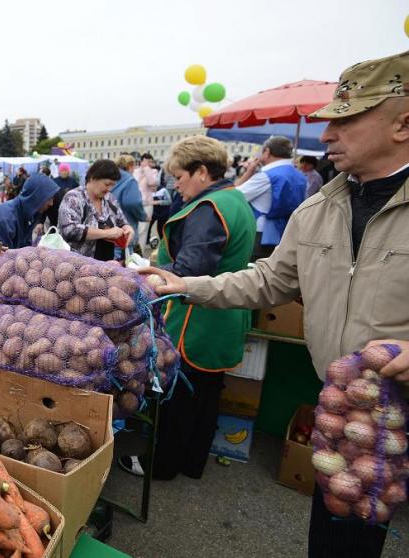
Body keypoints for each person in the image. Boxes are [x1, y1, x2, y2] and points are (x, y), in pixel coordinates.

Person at [141, 51, 409, 558]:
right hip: (352, 415)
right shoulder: (319, 208)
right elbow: (269, 279)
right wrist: (184, 285)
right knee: (338, 536)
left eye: (346, 121)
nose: (327, 136)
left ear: (403, 123)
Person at [119, 136, 256, 483]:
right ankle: (191, 462)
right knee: (208, 396)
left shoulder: (207, 209)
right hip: (226, 314)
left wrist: (144, 276)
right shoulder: (236, 199)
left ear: (202, 172)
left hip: (197, 318)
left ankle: (162, 466)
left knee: (180, 395)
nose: (175, 185)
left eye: (180, 177)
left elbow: (189, 268)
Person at [234, 136, 307, 259]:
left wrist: (248, 173)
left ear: (267, 152)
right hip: (287, 231)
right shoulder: (300, 176)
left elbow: (233, 196)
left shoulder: (266, 176)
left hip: (261, 233)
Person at [57, 159, 134, 260]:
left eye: (112, 185)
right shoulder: (73, 198)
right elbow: (70, 230)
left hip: (105, 264)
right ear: (93, 178)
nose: (109, 189)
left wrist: (128, 228)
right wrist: (106, 233)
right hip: (76, 263)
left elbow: (121, 221)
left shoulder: (109, 198)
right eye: (107, 184)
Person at [0, 172, 58, 250]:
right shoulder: (6, 217)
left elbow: (25, 247)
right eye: (49, 199)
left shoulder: (31, 213)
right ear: (36, 197)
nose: (51, 203)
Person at [111, 155, 147, 242]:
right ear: (130, 166)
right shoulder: (129, 180)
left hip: (109, 229)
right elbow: (133, 202)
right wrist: (143, 216)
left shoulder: (111, 177)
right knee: (125, 252)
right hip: (126, 228)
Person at [133, 153, 160, 253]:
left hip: (147, 203)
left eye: (151, 161)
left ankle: (140, 253)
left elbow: (152, 183)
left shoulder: (153, 171)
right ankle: (130, 252)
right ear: (142, 161)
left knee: (143, 230)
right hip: (135, 203)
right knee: (133, 227)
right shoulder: (135, 171)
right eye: (147, 161)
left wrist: (147, 169)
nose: (149, 163)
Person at [47, 163, 79, 228]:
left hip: (69, 213)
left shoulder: (73, 182)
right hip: (55, 213)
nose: (64, 172)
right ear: (59, 171)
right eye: (62, 170)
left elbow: (78, 195)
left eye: (65, 170)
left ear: (68, 171)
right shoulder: (54, 181)